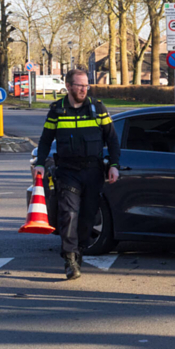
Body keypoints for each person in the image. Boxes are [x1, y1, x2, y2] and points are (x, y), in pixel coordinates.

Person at [34, 69, 120, 280]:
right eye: (80, 85)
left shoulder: (97, 108)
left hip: (93, 171)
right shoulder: (57, 110)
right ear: (68, 87)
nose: (84, 89)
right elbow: (45, 140)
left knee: (87, 217)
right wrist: (40, 163)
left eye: (86, 85)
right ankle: (70, 258)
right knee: (68, 214)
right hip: (68, 172)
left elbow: (112, 140)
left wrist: (114, 165)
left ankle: (79, 250)